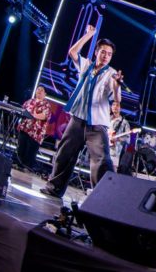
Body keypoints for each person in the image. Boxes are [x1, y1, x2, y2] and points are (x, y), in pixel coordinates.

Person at [40, 24, 123, 197]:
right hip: (77, 120)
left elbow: (117, 98)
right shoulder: (86, 65)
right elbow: (73, 52)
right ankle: (54, 188)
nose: (106, 56)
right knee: (64, 154)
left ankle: (102, 198)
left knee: (101, 161)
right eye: (103, 52)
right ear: (96, 52)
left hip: (97, 125)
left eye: (109, 54)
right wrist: (89, 35)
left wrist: (117, 86)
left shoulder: (112, 74)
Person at [15, 86, 53, 170]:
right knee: (20, 148)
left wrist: (33, 115)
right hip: (24, 128)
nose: (39, 91)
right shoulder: (29, 101)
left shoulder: (46, 105)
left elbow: (44, 116)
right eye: (38, 89)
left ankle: (26, 168)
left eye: (41, 90)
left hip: (36, 133)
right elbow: (22, 110)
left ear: (45, 94)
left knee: (29, 152)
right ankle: (18, 164)